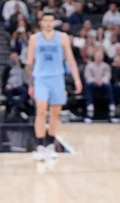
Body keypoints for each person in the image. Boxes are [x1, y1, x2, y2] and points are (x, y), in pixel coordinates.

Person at [25, 11, 81, 160]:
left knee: (55, 113)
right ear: (41, 23)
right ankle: (40, 146)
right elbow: (29, 63)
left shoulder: (62, 37)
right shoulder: (34, 39)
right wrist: (30, 84)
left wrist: (77, 79)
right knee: (41, 110)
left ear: (54, 22)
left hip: (57, 77)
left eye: (51, 20)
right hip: (41, 78)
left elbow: (70, 60)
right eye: (46, 20)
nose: (48, 23)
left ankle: (50, 144)